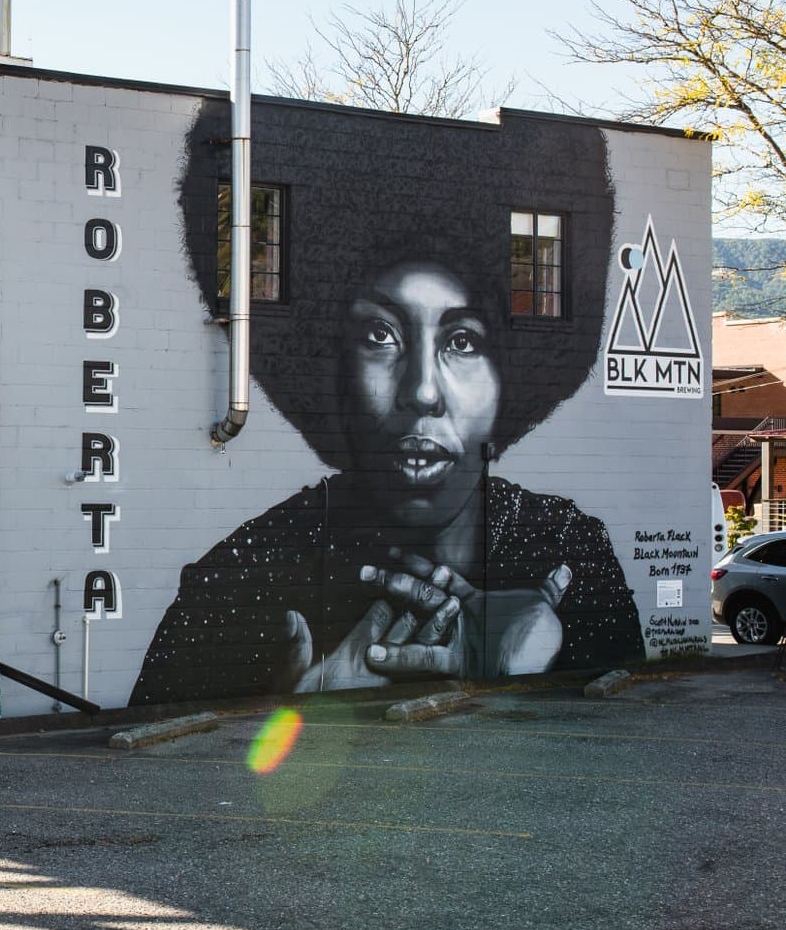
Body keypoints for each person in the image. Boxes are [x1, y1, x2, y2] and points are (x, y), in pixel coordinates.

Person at [131, 110, 644, 704]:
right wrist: (297, 711)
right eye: (381, 336)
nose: (422, 391)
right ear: (331, 366)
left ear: (509, 377)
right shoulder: (239, 579)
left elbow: (624, 723)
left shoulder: (565, 548)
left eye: (462, 341)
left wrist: (519, 673)